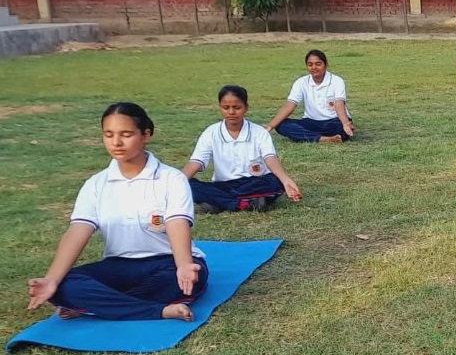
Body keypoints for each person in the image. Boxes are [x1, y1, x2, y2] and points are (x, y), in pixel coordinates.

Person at [26, 103, 208, 322]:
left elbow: (177, 223)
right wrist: (51, 280)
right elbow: (77, 232)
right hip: (120, 265)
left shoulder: (171, 178)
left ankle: (96, 306)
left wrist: (184, 265)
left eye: (126, 134)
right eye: (109, 135)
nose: (116, 142)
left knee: (186, 280)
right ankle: (158, 311)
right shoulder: (96, 184)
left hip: (167, 263)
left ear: (146, 135)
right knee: (65, 285)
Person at [183, 85, 302, 212]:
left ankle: (218, 202)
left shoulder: (259, 132)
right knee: (188, 185)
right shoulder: (211, 132)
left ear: (246, 108)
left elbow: (270, 158)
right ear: (220, 107)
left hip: (254, 182)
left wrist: (286, 180)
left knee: (275, 181)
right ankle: (243, 203)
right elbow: (196, 162)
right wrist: (175, 182)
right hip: (224, 184)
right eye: (225, 107)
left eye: (237, 107)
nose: (231, 112)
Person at [266, 49, 353, 143]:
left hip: (334, 121)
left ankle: (310, 136)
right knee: (281, 125)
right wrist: (270, 126)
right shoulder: (301, 82)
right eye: (310, 64)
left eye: (318, 64)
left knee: (343, 129)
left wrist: (345, 123)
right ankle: (322, 139)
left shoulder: (337, 81)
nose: (314, 67)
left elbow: (339, 104)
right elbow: (290, 105)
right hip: (311, 121)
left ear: (325, 65)